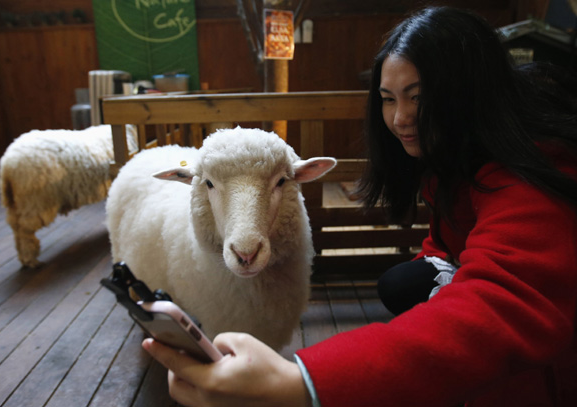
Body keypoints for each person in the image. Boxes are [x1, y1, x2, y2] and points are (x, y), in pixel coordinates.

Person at [143, 6, 577, 407]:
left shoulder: (536, 171)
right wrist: (440, 260)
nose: (400, 117)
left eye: (418, 96)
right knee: (400, 282)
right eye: (388, 98)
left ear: (469, 89)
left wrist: (303, 383)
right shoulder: (456, 156)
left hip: (554, 373)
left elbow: (506, 298)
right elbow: (453, 233)